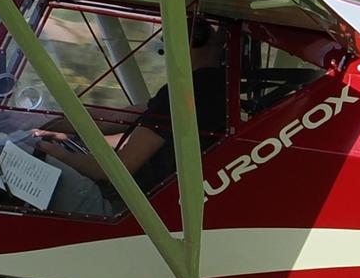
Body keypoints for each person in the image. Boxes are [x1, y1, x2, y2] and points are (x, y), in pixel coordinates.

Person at [33, 19, 229, 215]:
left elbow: (117, 168)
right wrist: (48, 120)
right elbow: (115, 118)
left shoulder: (192, 91)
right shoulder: (213, 88)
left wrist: (58, 154)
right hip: (144, 202)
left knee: (28, 164)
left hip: (127, 209)